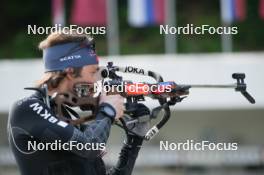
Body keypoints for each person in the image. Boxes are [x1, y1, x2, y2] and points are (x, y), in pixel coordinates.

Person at [7, 32, 150, 175]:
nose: (96, 81)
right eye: (93, 72)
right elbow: (89, 146)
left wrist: (134, 139)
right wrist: (108, 109)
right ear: (70, 71)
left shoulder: (69, 117)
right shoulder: (26, 108)